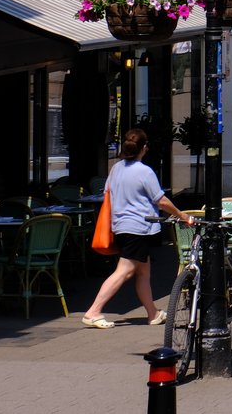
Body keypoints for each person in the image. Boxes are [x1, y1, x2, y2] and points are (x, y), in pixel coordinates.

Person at [82, 129, 196, 329]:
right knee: (124, 271)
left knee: (144, 272)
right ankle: (93, 311)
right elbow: (161, 201)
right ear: (144, 148)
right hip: (138, 228)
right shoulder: (144, 172)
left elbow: (108, 192)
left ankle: (152, 313)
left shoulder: (116, 168)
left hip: (120, 226)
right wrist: (182, 215)